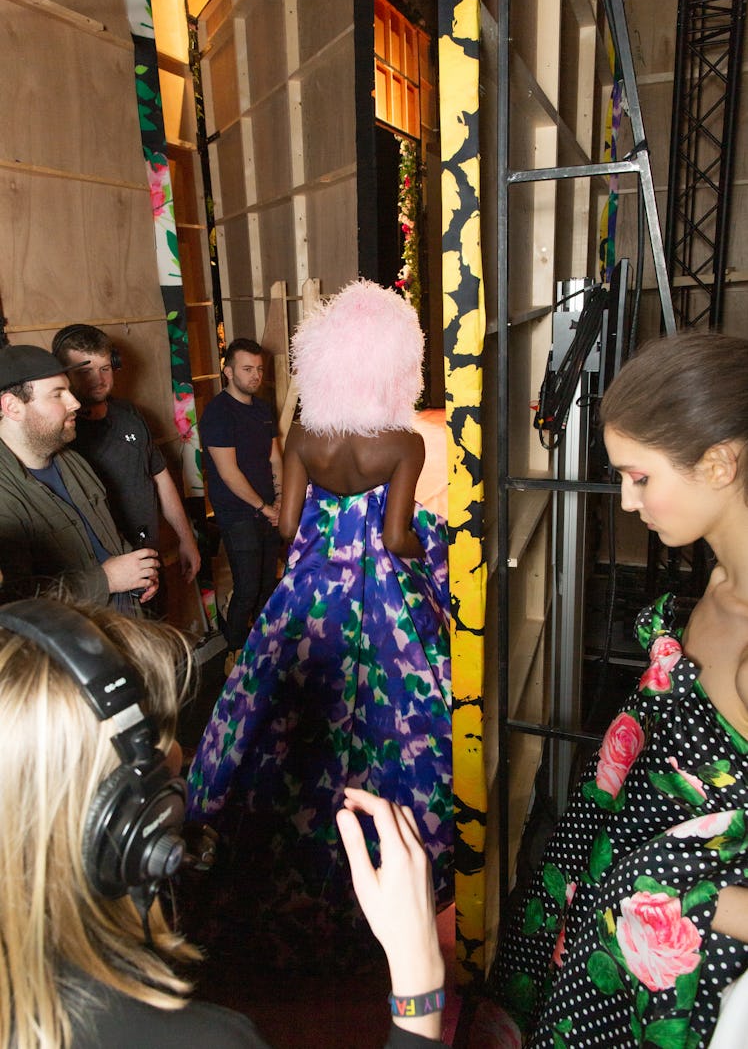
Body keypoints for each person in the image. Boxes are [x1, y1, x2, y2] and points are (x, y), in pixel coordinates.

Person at [0, 595, 445, 1047]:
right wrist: (419, 975)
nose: (177, 759)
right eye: (159, 741)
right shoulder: (210, 1039)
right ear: (124, 821)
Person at [489, 331, 748, 1048]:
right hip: (622, 906)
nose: (629, 504)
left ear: (720, 464)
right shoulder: (721, 585)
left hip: (684, 970)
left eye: (641, 478)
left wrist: (674, 887)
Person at [186, 280, 452, 970]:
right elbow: (396, 539)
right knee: (387, 722)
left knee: (274, 715)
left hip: (307, 596)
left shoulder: (303, 432)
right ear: (396, 366)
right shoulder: (401, 442)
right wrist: (438, 542)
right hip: (380, 603)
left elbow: (283, 522)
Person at [0, 344, 159, 610]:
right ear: (12, 406)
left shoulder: (72, 461)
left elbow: (108, 537)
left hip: (122, 627)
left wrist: (137, 572)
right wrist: (106, 580)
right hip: (70, 645)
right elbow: (14, 601)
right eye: (57, 394)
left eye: (69, 391)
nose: (74, 402)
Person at [52, 323, 201, 589]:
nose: (99, 379)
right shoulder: (61, 434)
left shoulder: (129, 414)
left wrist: (186, 538)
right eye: (85, 371)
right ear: (63, 374)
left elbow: (160, 476)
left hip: (149, 561)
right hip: (105, 579)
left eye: (105, 368)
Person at [198, 338, 283, 664]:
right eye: (248, 369)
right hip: (238, 513)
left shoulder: (262, 409)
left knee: (266, 584)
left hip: (267, 510)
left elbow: (275, 459)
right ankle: (234, 650)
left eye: (259, 369)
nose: (256, 376)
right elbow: (228, 472)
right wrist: (265, 508)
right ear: (228, 371)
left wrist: (281, 502)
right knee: (247, 586)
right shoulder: (218, 414)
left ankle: (263, 647)